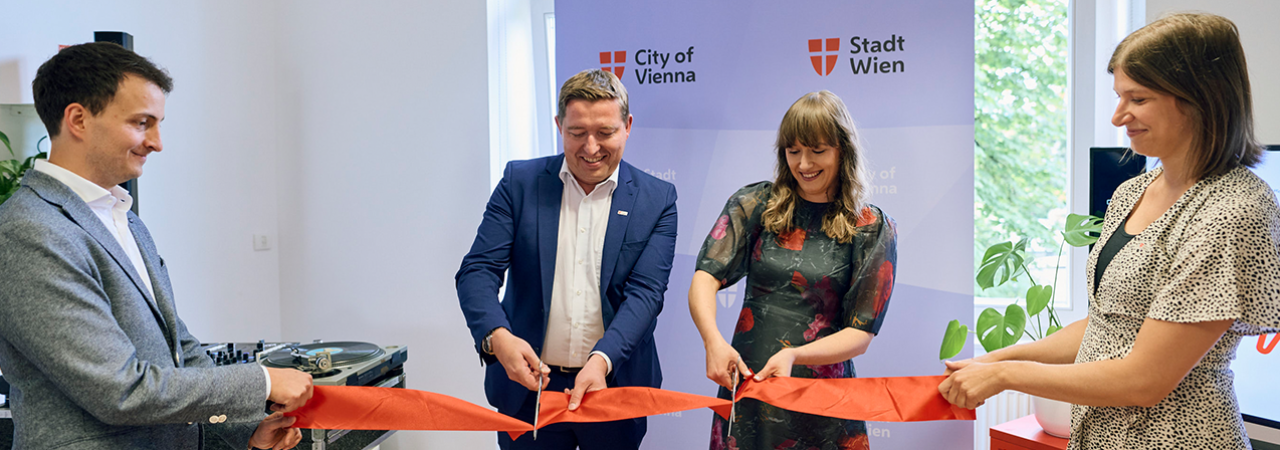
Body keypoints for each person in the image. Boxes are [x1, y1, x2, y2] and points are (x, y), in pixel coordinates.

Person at [938, 13, 1280, 450]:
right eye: (1119, 97)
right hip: (1101, 434)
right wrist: (995, 358)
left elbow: (1144, 380)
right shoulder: (1134, 191)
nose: (1119, 117)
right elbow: (1106, 327)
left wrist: (1005, 375)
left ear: (1199, 98)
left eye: (1137, 99)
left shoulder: (1233, 210)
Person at [0, 42, 314, 450]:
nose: (157, 142)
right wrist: (264, 380)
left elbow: (179, 350)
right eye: (142, 122)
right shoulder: (28, 231)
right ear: (78, 118)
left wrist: (245, 429)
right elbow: (120, 390)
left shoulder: (125, 218)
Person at [456, 68, 677, 450]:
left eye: (605, 132)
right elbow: (477, 270)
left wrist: (603, 360)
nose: (591, 147)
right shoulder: (519, 183)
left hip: (613, 386)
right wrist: (497, 338)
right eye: (577, 133)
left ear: (627, 126)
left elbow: (645, 294)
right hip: (529, 391)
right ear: (559, 125)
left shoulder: (657, 199)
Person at [689, 90, 898, 450]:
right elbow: (706, 276)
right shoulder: (755, 204)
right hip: (750, 385)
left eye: (817, 150)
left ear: (842, 150)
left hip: (822, 399)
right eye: (793, 150)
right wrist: (713, 342)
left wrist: (794, 355)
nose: (804, 164)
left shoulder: (869, 226)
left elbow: (861, 334)